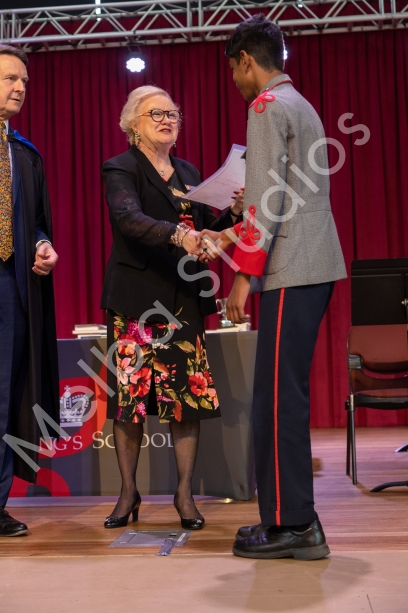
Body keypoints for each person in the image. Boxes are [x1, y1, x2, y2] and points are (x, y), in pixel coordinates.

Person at [202, 15, 347, 559]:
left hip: (291, 268)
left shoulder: (265, 107)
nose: (235, 82)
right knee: (283, 395)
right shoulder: (299, 103)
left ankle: (293, 526)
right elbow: (280, 192)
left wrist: (243, 277)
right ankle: (288, 519)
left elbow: (268, 205)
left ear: (246, 60)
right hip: (311, 262)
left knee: (278, 400)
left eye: (233, 71)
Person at [100, 85, 243, 530]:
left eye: (173, 114)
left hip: (183, 300)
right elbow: (129, 219)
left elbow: (203, 230)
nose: (167, 120)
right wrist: (180, 236)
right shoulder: (121, 167)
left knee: (186, 400)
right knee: (129, 403)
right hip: (136, 303)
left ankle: (184, 494)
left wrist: (233, 214)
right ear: (133, 125)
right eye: (157, 114)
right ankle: (128, 492)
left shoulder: (188, 171)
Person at [0, 45, 59, 537]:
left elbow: (36, 221)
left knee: (7, 395)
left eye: (23, 80)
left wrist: (42, 245)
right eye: (9, 79)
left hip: (13, 288)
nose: (20, 87)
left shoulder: (24, 153)